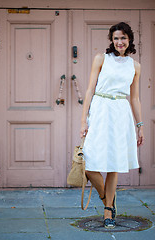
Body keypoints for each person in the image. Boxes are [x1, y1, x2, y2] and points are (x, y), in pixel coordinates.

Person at [80, 22, 144, 229]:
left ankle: (108, 210)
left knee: (114, 163)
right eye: (116, 38)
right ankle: (107, 198)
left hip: (120, 113)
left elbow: (134, 98)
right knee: (89, 163)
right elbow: (90, 90)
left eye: (123, 38)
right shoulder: (101, 59)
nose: (119, 42)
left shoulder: (135, 66)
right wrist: (83, 119)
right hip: (99, 110)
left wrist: (140, 125)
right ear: (112, 40)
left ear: (129, 40)